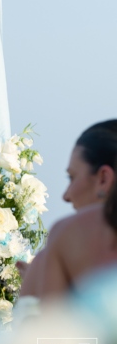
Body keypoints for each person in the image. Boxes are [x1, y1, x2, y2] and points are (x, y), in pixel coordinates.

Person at [20, 119, 117, 297]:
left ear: (103, 179)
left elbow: (51, 323)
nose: (66, 196)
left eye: (72, 177)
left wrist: (38, 283)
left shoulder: (65, 238)